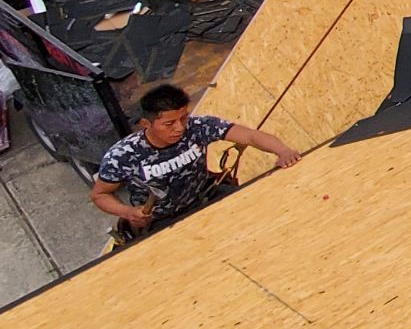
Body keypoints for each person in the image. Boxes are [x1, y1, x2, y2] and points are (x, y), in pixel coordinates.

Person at [91, 83, 302, 248]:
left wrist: (282, 151)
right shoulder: (122, 155)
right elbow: (100, 195)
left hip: (206, 196)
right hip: (162, 220)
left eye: (184, 118)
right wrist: (128, 212)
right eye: (169, 124)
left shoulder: (198, 127)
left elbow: (250, 135)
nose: (180, 128)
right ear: (147, 124)